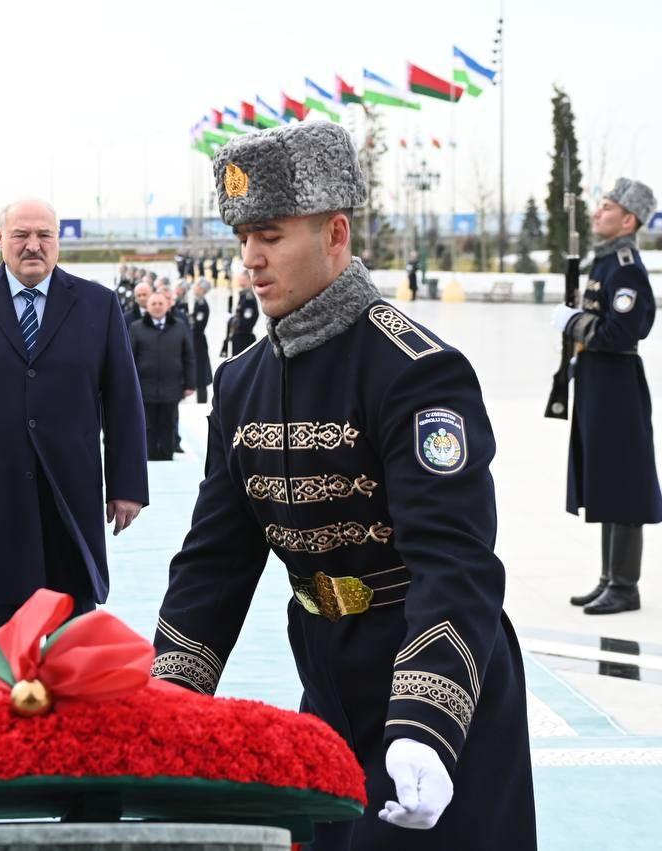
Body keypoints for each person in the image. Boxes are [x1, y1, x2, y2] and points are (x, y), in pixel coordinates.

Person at [151, 121, 536, 849]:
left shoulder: (416, 371)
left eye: (269, 235)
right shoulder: (241, 383)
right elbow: (215, 560)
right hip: (327, 685)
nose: (250, 261)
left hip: (436, 687)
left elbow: (454, 563)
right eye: (241, 240)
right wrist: (168, 697)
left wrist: (426, 723)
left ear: (336, 233)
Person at [0, 199, 148, 641]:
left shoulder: (98, 305)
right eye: (21, 235)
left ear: (59, 241)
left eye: (45, 235)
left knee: (74, 646)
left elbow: (123, 401)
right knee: (2, 648)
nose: (33, 246)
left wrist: (127, 486)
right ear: (0, 239)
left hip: (70, 499)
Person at [553, 177, 660, 614]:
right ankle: (608, 578)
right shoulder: (604, 262)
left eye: (607, 207)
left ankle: (625, 586)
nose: (598, 213)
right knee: (605, 479)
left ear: (628, 219)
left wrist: (573, 323)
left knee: (623, 484)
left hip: (617, 380)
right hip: (598, 379)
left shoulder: (626, 265)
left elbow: (622, 331)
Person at [130, 293, 195, 460]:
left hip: (171, 387)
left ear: (167, 306)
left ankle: (166, 456)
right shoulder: (136, 328)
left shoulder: (179, 326)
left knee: (169, 424)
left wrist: (190, 384)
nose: (157, 306)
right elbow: (129, 359)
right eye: (154, 304)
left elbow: (188, 355)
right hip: (145, 388)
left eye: (160, 303)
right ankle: (149, 457)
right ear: (148, 307)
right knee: (147, 425)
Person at [221, 269, 259, 358]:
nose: (240, 279)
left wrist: (230, 319)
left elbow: (246, 324)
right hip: (238, 339)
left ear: (249, 280)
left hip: (243, 340)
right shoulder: (243, 296)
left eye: (243, 278)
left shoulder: (248, 299)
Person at [190, 279, 214, 403]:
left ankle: (202, 402)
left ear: (201, 289)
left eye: (197, 286)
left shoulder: (202, 305)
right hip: (196, 339)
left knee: (201, 374)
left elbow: (197, 324)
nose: (194, 288)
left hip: (198, 341)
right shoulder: (197, 303)